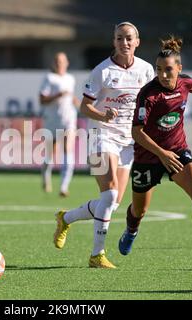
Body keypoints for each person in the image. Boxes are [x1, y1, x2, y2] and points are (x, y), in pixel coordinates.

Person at [118, 36, 192, 267]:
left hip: (178, 150)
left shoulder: (184, 82)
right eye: (158, 69)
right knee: (140, 210)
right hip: (148, 156)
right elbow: (137, 133)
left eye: (168, 69)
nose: (162, 75)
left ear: (179, 69)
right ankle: (131, 231)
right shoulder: (148, 95)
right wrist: (161, 153)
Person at [53, 22, 154, 268]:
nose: (124, 43)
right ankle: (96, 255)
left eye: (129, 38)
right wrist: (102, 116)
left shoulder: (146, 70)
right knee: (108, 194)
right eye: (119, 38)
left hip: (129, 141)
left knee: (113, 202)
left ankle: (65, 218)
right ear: (114, 42)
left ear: (137, 42)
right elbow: (84, 106)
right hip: (101, 136)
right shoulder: (102, 71)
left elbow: (153, 102)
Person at [39, 52, 80, 197]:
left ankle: (64, 187)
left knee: (68, 150)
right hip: (52, 120)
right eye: (57, 61)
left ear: (67, 63)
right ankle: (45, 176)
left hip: (69, 119)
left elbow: (71, 96)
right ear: (53, 64)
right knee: (50, 154)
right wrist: (58, 95)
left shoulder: (70, 78)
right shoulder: (49, 78)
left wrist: (78, 104)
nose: (59, 64)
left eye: (62, 61)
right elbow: (42, 100)